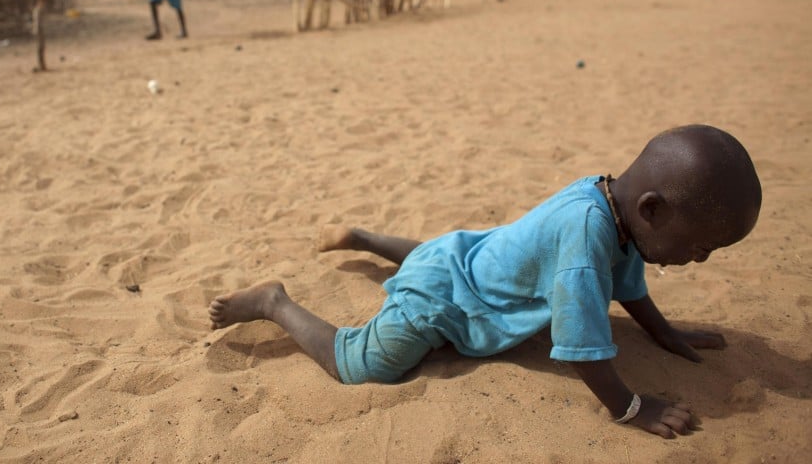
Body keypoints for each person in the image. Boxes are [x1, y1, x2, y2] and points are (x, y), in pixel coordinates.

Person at [208, 124, 762, 439]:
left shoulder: (608, 198)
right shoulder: (584, 243)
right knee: (363, 366)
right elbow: (582, 350)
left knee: (435, 255)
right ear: (653, 211)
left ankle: (365, 238)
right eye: (701, 246)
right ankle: (274, 303)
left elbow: (630, 280)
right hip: (443, 299)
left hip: (465, 254)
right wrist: (631, 407)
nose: (701, 258)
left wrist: (666, 332)